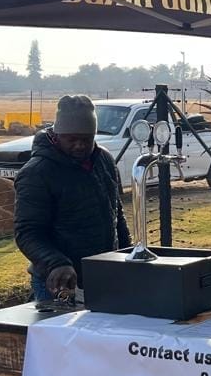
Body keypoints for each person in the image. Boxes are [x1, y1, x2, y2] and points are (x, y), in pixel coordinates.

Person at [14, 94, 131, 301]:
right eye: (72, 139)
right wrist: (56, 263)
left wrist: (127, 254)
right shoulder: (37, 173)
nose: (79, 145)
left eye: (86, 139)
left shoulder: (104, 160)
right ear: (57, 135)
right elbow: (27, 232)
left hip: (104, 273)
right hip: (60, 281)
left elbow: (116, 213)